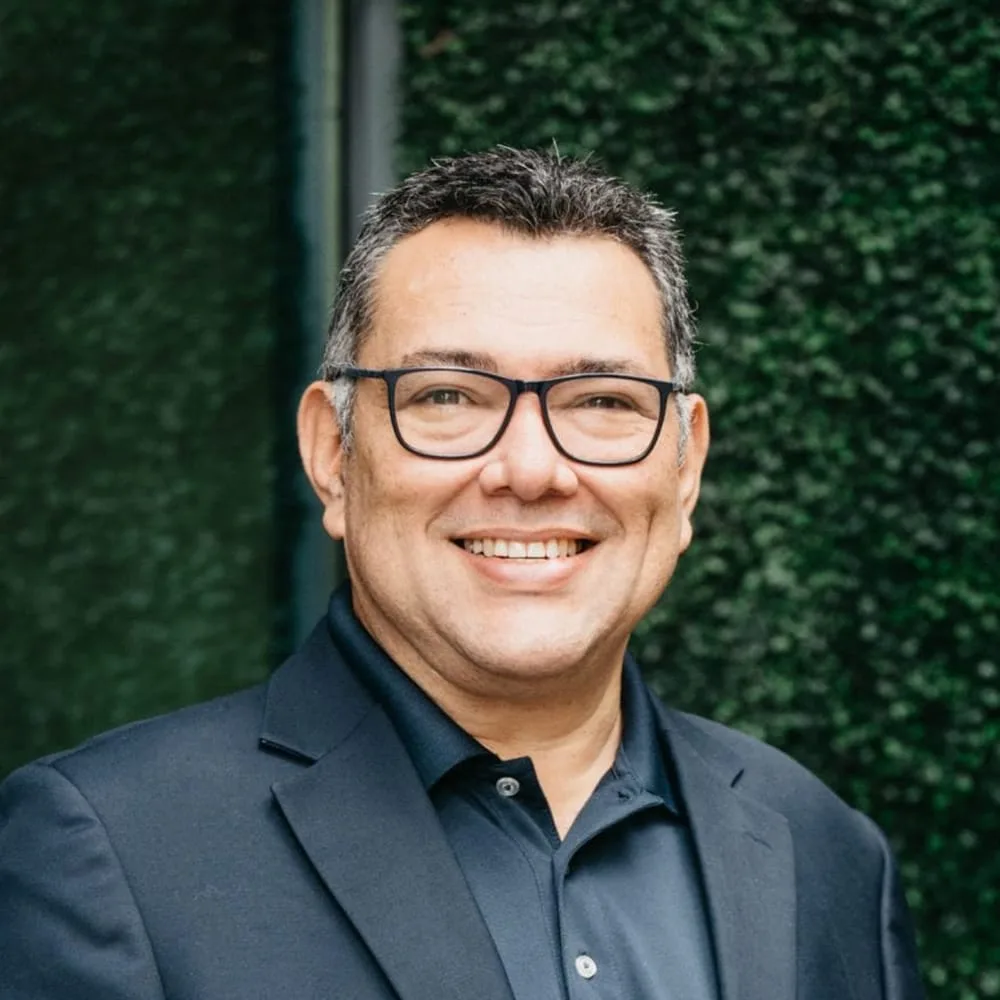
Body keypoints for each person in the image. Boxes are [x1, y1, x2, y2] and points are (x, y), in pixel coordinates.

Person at [0, 148, 924, 1000]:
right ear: (332, 455)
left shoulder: (828, 854)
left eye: (602, 400)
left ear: (685, 470)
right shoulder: (110, 852)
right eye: (448, 396)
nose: (531, 469)